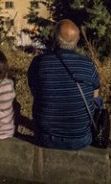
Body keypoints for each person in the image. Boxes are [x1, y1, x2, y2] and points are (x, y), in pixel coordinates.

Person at [27, 19, 101, 150]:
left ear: (54, 38)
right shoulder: (88, 65)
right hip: (80, 139)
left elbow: (34, 91)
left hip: (45, 138)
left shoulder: (39, 63)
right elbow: (95, 97)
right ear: (77, 41)